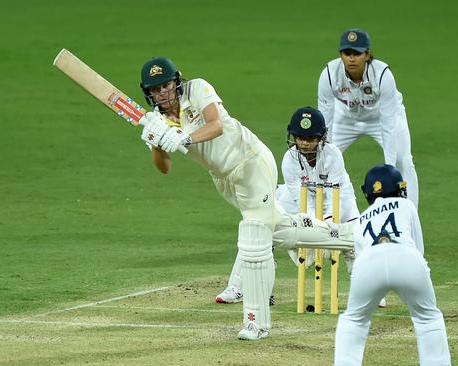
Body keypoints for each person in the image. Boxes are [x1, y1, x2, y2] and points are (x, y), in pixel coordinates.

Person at [138, 56, 277, 341]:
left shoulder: (197, 88)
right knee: (279, 228)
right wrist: (156, 143)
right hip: (223, 178)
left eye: (166, 85)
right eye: (156, 89)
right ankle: (344, 238)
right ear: (148, 92)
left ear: (176, 82)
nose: (163, 92)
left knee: (254, 236)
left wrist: (185, 138)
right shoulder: (158, 121)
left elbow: (216, 125)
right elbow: (164, 168)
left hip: (250, 162)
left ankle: (256, 322)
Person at [215, 107, 368, 305]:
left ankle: (369, 291)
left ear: (321, 137)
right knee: (261, 224)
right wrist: (315, 226)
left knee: (357, 239)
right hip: (298, 200)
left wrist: (329, 223)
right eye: (300, 137)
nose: (304, 143)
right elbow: (300, 198)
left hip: (340, 199)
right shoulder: (289, 159)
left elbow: (333, 195)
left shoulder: (333, 155)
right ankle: (238, 286)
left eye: (311, 138)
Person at [333, 164, 451, 366]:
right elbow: (418, 249)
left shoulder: (361, 220)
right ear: (399, 189)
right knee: (428, 318)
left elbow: (360, 261)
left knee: (353, 320)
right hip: (407, 258)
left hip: (368, 264)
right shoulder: (406, 205)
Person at [318, 28, 420, 208]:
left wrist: (390, 171)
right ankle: (322, 216)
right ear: (340, 55)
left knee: (403, 161)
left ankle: (409, 217)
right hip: (346, 118)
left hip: (380, 117)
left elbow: (388, 125)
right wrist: (327, 156)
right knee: (321, 161)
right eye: (347, 53)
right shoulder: (329, 74)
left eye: (357, 53)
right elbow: (325, 122)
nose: (351, 58)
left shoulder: (382, 74)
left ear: (367, 54)